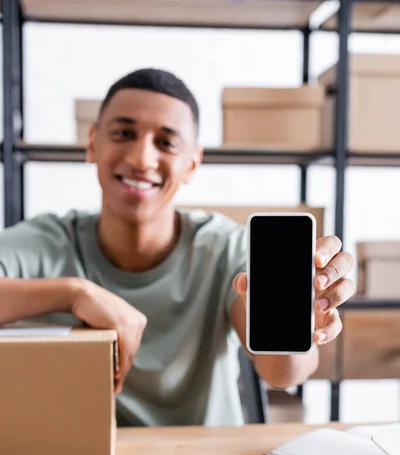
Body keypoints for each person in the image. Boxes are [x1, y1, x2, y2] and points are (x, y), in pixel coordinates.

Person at [0, 68, 355, 427]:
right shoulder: (46, 242)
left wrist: (301, 311)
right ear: (93, 142)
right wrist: (72, 293)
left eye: (166, 143)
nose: (141, 159)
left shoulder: (225, 249)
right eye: (123, 133)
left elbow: (283, 374)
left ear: (192, 164)